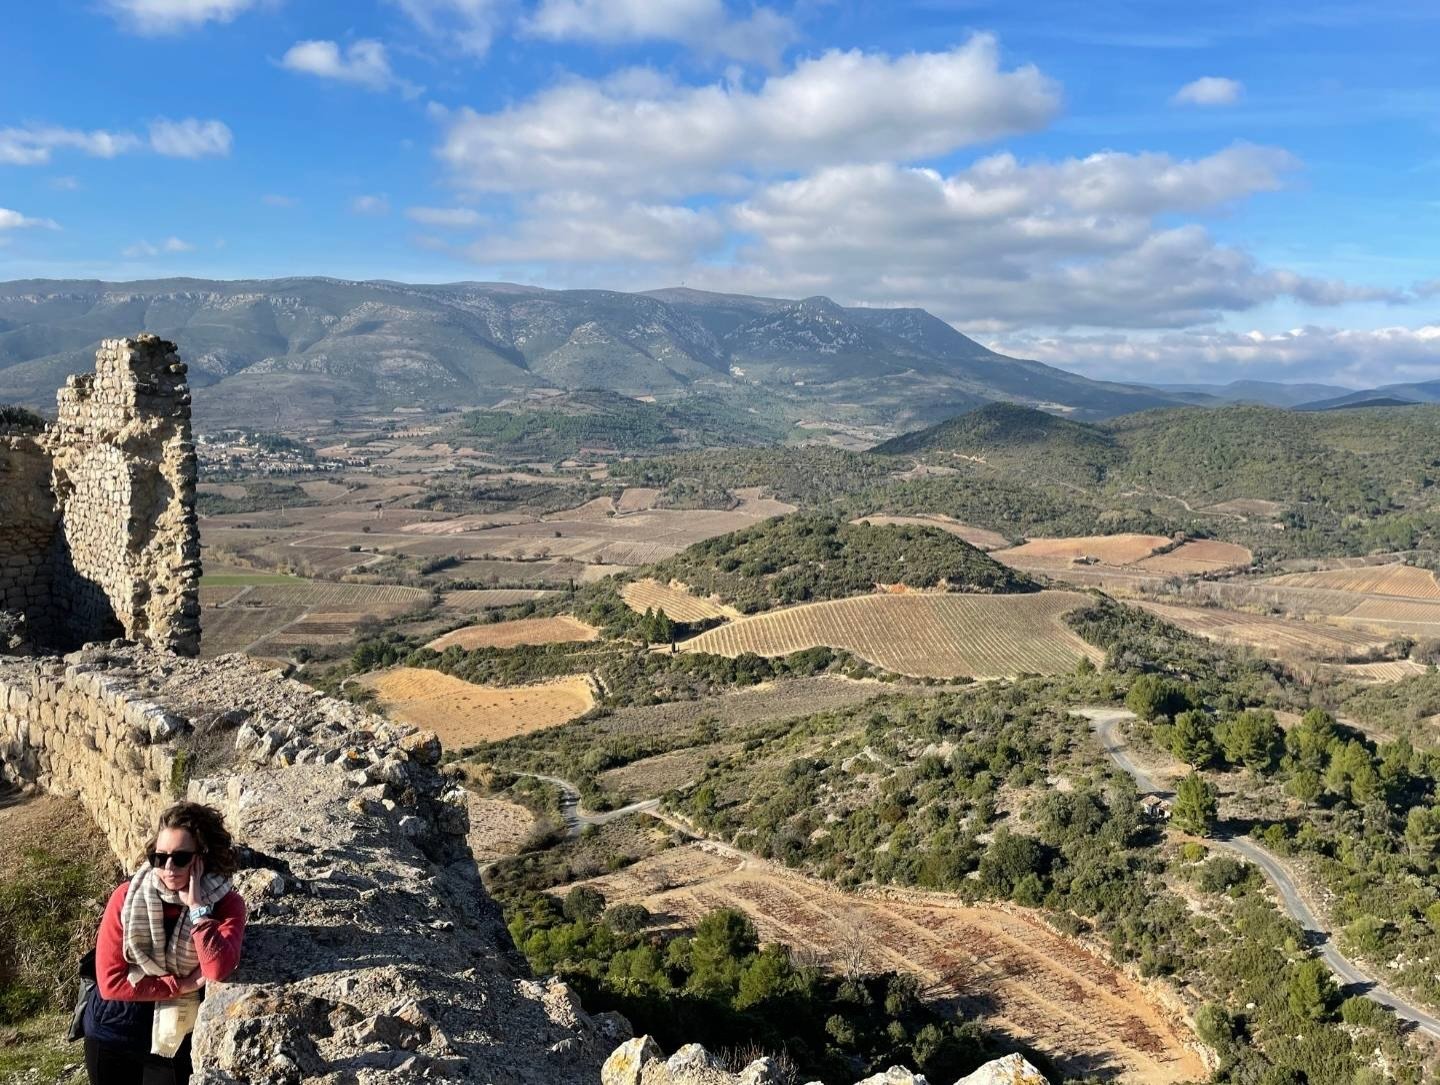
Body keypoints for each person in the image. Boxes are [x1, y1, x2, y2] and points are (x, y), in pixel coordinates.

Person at [83, 801, 247, 1085]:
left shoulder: (225, 906)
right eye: (160, 857)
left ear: (203, 857)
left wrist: (197, 909)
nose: (169, 867)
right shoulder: (127, 898)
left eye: (181, 858)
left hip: (175, 1038)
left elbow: (218, 967)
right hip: (114, 1032)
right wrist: (180, 985)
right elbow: (111, 984)